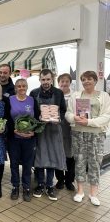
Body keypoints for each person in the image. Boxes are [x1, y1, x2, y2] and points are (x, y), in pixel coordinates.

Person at [65, 71, 110, 206]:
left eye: (90, 79)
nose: (86, 81)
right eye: (84, 79)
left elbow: (107, 115)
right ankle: (80, 191)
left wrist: (89, 122)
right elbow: (68, 112)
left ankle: (93, 193)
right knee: (79, 161)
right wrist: (74, 118)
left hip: (96, 134)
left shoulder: (104, 96)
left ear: (95, 80)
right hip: (78, 133)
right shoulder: (76, 95)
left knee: (95, 162)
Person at [30, 69, 67, 201]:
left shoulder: (58, 93)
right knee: (40, 158)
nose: (45, 82)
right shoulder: (34, 93)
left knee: (52, 157)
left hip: (54, 130)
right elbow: (31, 111)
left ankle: (50, 185)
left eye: (48, 79)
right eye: (43, 79)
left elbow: (63, 109)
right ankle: (40, 184)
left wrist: (58, 118)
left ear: (52, 79)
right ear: (40, 80)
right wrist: (37, 117)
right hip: (39, 130)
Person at [55, 73, 75, 191]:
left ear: (70, 83)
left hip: (71, 130)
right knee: (58, 154)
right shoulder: (55, 95)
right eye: (62, 81)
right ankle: (60, 180)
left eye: (66, 81)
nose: (64, 83)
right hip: (57, 129)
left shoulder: (75, 96)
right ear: (59, 83)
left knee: (70, 156)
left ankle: (69, 181)